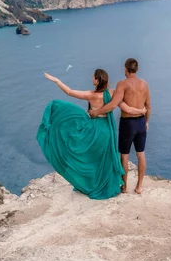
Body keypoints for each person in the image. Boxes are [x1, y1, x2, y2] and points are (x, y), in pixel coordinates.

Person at [37, 69, 146, 200]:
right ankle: (110, 185)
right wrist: (142, 110)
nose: (91, 78)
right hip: (106, 131)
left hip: (94, 129)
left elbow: (69, 92)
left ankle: (92, 184)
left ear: (97, 80)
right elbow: (127, 109)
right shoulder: (112, 94)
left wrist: (56, 80)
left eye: (93, 76)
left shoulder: (91, 95)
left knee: (91, 158)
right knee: (105, 159)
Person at [89, 58, 151, 194]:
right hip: (141, 122)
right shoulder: (144, 84)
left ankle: (124, 187)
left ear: (125, 69)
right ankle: (139, 187)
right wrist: (146, 122)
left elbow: (113, 104)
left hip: (128, 124)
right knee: (141, 154)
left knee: (124, 155)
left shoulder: (122, 84)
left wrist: (96, 112)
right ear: (137, 69)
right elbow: (148, 106)